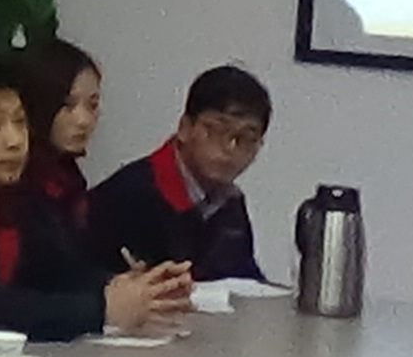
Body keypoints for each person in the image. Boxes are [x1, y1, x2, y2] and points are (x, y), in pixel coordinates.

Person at [0, 54, 186, 338]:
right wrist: (99, 310)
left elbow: (57, 271)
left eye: (20, 122)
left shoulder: (19, 200)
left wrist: (134, 287)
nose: (15, 141)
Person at [84, 63, 273, 284]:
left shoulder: (230, 203)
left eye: (246, 139)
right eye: (216, 130)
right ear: (184, 128)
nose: (229, 148)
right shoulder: (131, 194)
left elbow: (245, 281)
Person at [9, 38, 106, 294]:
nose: (84, 120)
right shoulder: (17, 183)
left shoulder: (68, 177)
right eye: (67, 105)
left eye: (92, 105)